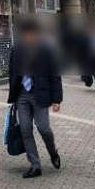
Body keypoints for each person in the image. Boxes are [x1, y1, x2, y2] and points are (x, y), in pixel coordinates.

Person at [7, 19, 63, 179]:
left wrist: (57, 100)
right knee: (25, 129)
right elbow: (12, 72)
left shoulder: (46, 50)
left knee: (43, 127)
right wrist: (13, 96)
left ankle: (53, 152)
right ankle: (35, 165)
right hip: (22, 95)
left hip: (40, 94)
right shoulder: (17, 49)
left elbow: (55, 75)